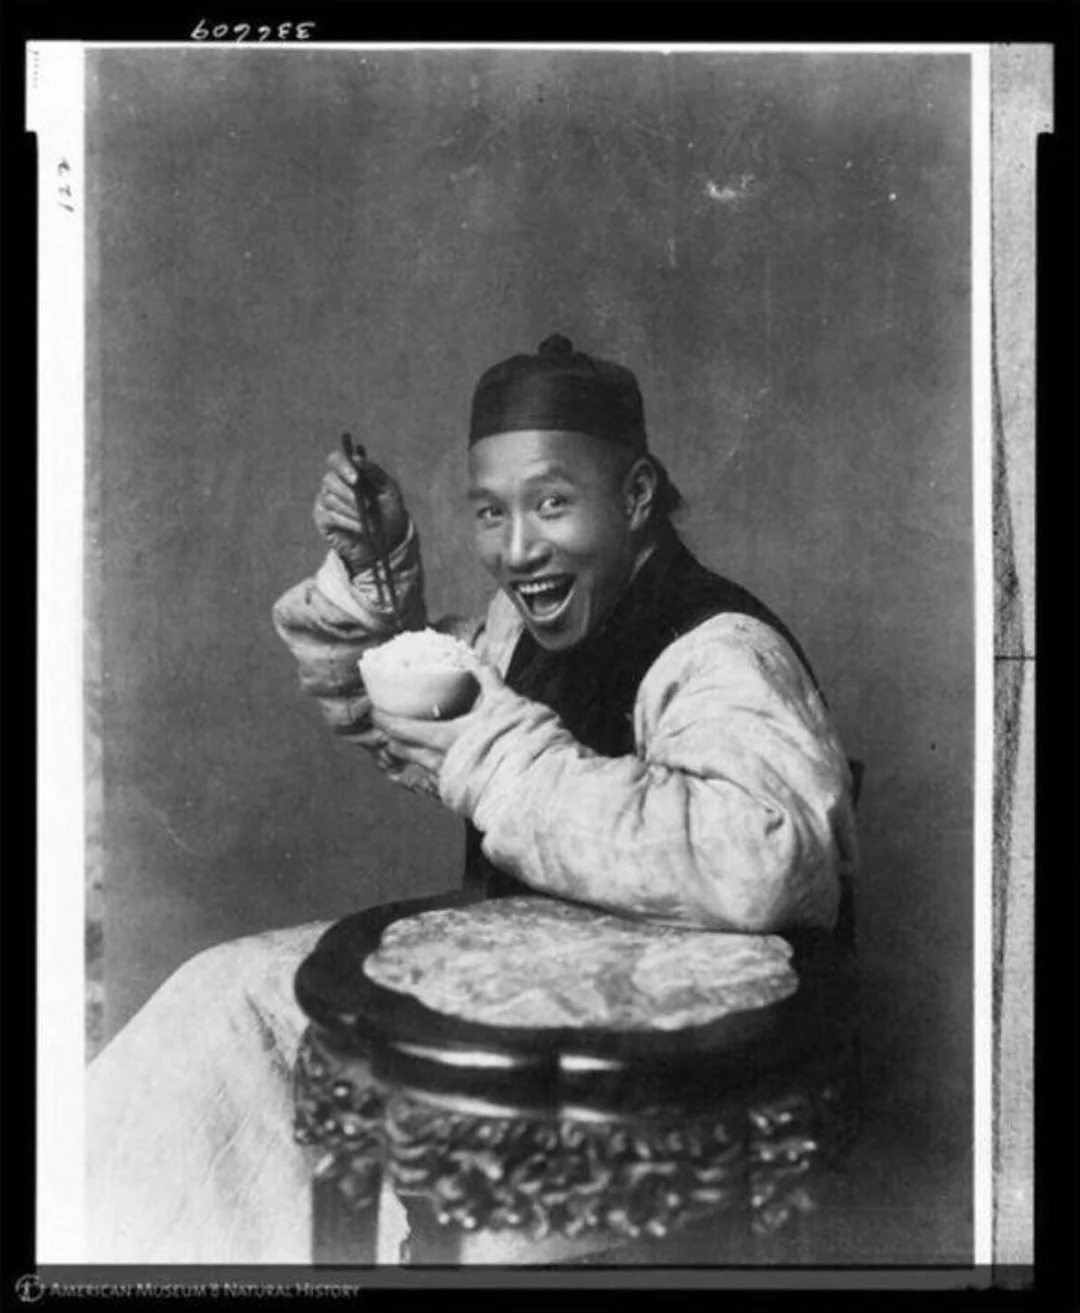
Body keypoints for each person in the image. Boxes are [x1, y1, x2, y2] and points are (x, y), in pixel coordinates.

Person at [85, 335, 858, 1264]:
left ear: (639, 496)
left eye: (553, 504)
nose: (517, 548)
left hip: (661, 1074)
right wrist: (375, 571)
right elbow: (420, 708)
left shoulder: (720, 648)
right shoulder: (526, 630)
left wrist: (496, 753)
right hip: (527, 1011)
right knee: (221, 1005)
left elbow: (761, 862)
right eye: (491, 513)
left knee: (453, 1216)